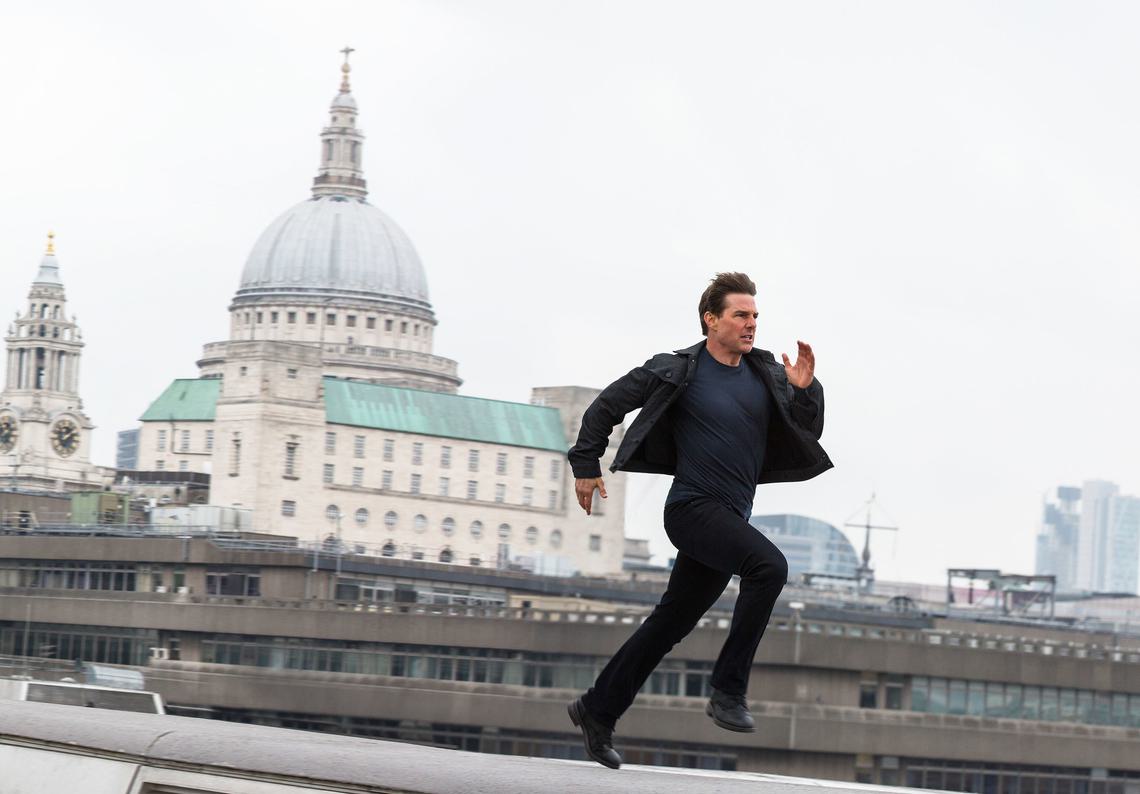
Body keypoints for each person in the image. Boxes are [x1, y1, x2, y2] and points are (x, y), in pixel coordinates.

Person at [565, 272, 832, 770]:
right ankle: (728, 692)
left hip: (729, 515)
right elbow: (607, 406)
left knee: (671, 622)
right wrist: (586, 465)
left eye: (755, 316)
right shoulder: (677, 370)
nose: (752, 325)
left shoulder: (766, 374)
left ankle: (597, 709)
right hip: (691, 508)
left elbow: (805, 433)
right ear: (711, 319)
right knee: (769, 568)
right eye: (741, 315)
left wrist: (805, 389)